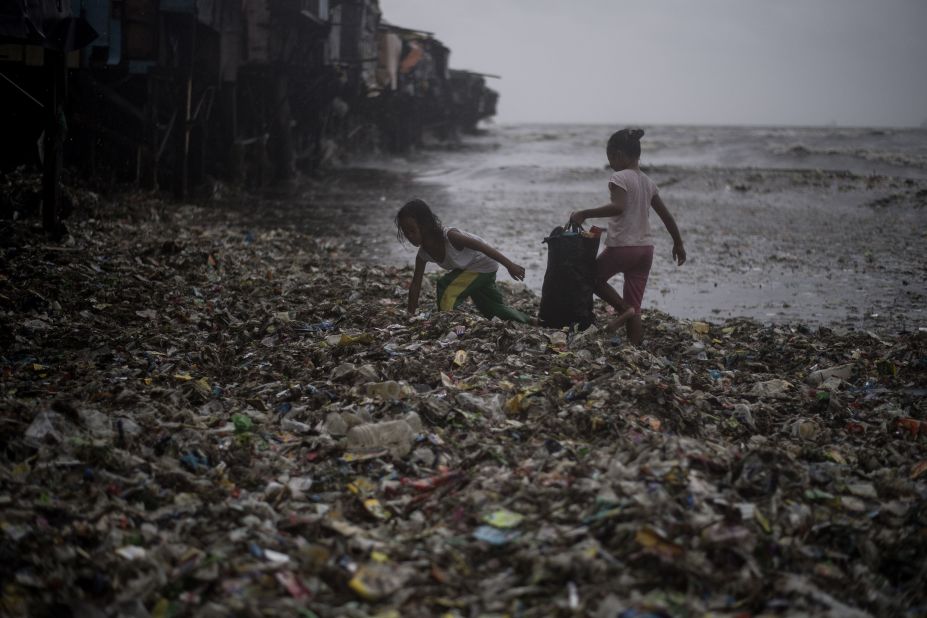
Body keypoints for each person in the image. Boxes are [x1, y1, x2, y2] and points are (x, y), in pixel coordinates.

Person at [569, 128, 686, 345]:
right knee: (637, 305)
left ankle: (624, 309)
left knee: (592, 278)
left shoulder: (619, 177)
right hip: (645, 250)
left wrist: (585, 213)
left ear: (619, 155)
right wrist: (678, 243)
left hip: (623, 247)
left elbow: (618, 207)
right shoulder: (648, 182)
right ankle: (635, 347)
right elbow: (667, 216)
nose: (611, 164)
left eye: (611, 159)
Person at [396, 198, 533, 323]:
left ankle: (448, 323)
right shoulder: (423, 254)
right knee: (491, 309)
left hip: (483, 265)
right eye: (405, 232)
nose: (409, 236)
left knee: (446, 288)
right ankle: (532, 321)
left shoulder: (450, 237)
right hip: (471, 270)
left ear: (424, 225)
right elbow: (415, 284)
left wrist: (509, 265)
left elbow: (482, 246)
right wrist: (410, 315)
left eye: (412, 231)